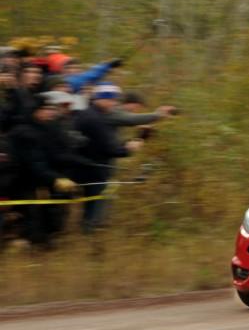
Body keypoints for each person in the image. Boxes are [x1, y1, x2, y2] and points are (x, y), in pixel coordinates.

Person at [7, 95, 78, 246]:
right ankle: (34, 246)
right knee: (33, 213)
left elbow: (54, 156)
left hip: (37, 180)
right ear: (36, 111)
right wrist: (56, 179)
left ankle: (42, 241)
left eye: (51, 109)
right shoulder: (25, 133)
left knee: (48, 211)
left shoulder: (45, 128)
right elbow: (35, 164)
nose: (50, 112)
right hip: (20, 180)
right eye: (45, 109)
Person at [74, 82, 143, 232]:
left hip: (86, 166)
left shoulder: (88, 113)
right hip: (93, 169)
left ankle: (89, 232)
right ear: (101, 99)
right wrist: (128, 148)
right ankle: (90, 239)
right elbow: (109, 148)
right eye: (112, 100)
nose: (114, 104)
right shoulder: (96, 119)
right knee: (92, 209)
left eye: (116, 100)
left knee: (91, 206)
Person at [107, 91, 177, 137]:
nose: (137, 110)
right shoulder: (113, 110)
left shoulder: (117, 117)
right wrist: (159, 114)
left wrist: (141, 136)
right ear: (131, 103)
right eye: (137, 107)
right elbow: (132, 119)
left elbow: (116, 147)